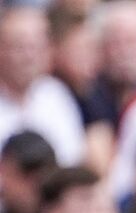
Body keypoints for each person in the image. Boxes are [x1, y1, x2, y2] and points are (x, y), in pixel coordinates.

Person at [0, 8, 84, 167]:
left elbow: (73, 159)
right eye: (19, 47)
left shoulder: (56, 95)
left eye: (36, 47)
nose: (28, 57)